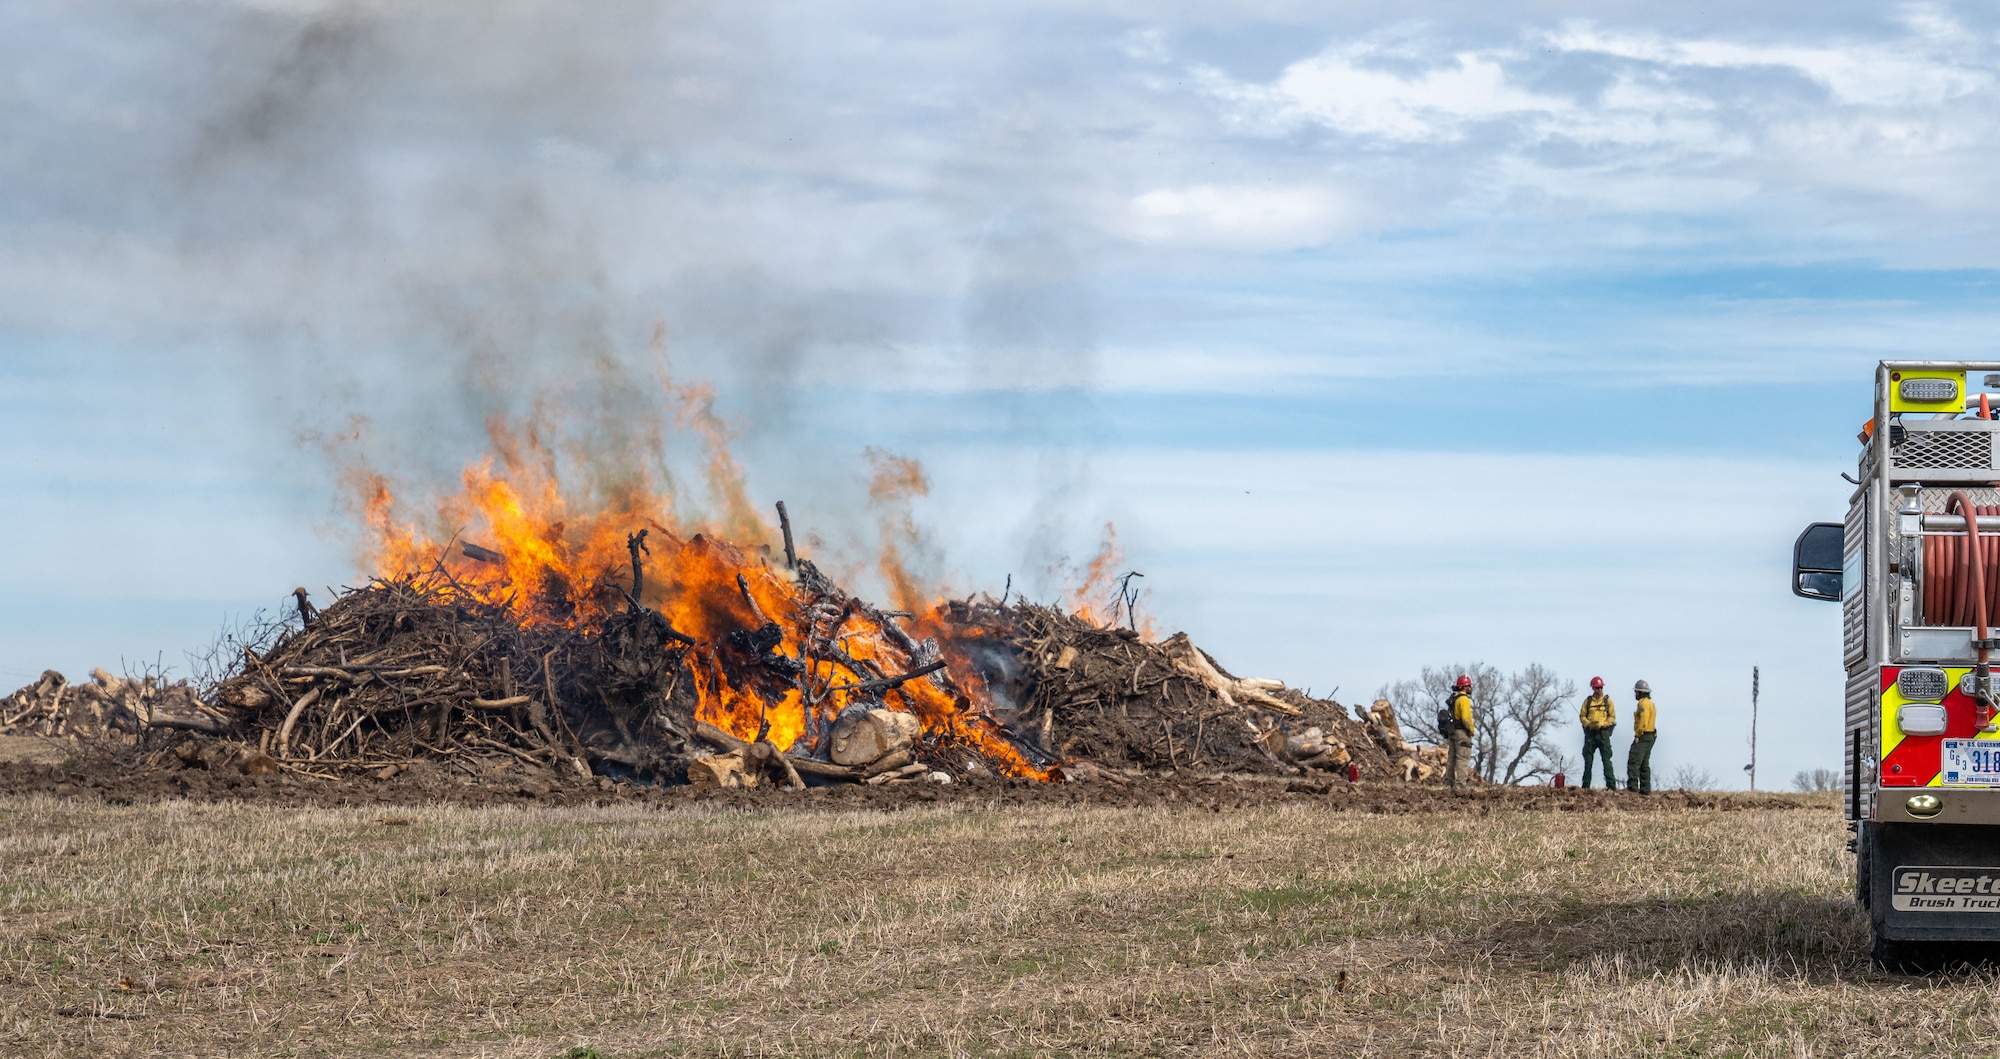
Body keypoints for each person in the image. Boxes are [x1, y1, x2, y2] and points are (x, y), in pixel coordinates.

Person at [1578, 676, 1617, 789]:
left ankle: (1611, 786)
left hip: (1603, 734)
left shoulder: (1607, 701)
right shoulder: (1588, 701)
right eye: (1597, 688)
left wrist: (1603, 724)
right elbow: (1582, 716)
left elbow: (1612, 717)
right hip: (1590, 734)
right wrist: (1588, 724)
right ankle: (1586, 786)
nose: (1599, 690)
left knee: (1606, 760)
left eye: (1600, 687)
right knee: (1588, 760)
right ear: (1593, 688)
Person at [1626, 680, 1657, 795]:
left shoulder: (1643, 704)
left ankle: (1632, 788)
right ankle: (1645, 789)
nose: (1635, 694)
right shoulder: (1650, 703)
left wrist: (1638, 735)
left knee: (1634, 761)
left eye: (1637, 692)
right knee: (1644, 763)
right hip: (1651, 735)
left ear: (1640, 692)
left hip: (1644, 735)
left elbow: (1643, 721)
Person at [1445, 674, 1475, 788]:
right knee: (1462, 759)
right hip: (1462, 733)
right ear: (1465, 687)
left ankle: (1449, 783)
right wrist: (1471, 730)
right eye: (1469, 686)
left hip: (1453, 732)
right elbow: (1466, 718)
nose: (1470, 688)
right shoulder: (1464, 699)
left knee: (1451, 759)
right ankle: (1461, 785)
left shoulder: (1454, 698)